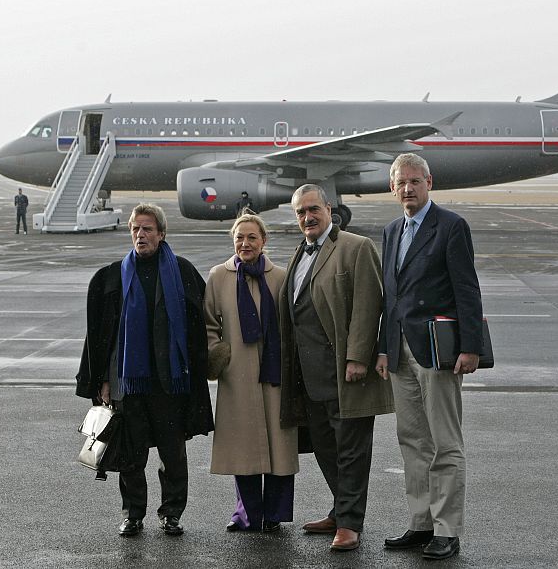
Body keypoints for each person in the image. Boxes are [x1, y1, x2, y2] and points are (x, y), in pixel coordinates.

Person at [76, 203, 213, 538]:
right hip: (128, 384)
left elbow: (201, 328)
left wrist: (200, 372)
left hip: (170, 384)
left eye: (148, 228)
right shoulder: (112, 276)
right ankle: (133, 514)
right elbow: (100, 336)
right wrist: (102, 381)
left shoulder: (182, 273)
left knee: (173, 454)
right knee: (131, 457)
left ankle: (171, 514)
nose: (141, 234)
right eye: (135, 229)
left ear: (161, 233)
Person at [375, 153, 484, 561]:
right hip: (401, 352)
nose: (408, 189)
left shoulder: (451, 227)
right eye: (401, 182)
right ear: (392, 187)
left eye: (415, 182)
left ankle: (448, 528)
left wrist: (470, 346)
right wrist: (385, 348)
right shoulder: (390, 231)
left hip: (438, 351)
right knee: (412, 441)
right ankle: (421, 523)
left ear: (429, 183)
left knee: (444, 443)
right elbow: (391, 298)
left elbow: (467, 289)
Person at [278, 184, 393, 552]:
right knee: (326, 448)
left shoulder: (356, 248)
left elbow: (368, 305)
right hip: (309, 376)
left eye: (313, 209)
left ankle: (350, 523)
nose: (307, 217)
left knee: (352, 451)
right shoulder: (300, 252)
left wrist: (358, 357)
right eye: (300, 212)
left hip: (346, 371)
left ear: (330, 210)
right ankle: (340, 508)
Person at [204, 213, 298, 532]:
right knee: (243, 448)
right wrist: (220, 355)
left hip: (274, 375)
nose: (245, 243)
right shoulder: (219, 276)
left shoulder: (280, 277)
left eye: (252, 238)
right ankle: (246, 514)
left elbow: (292, 325)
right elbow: (208, 325)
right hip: (238, 375)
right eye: (239, 238)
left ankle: (274, 515)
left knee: (279, 448)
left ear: (264, 241)